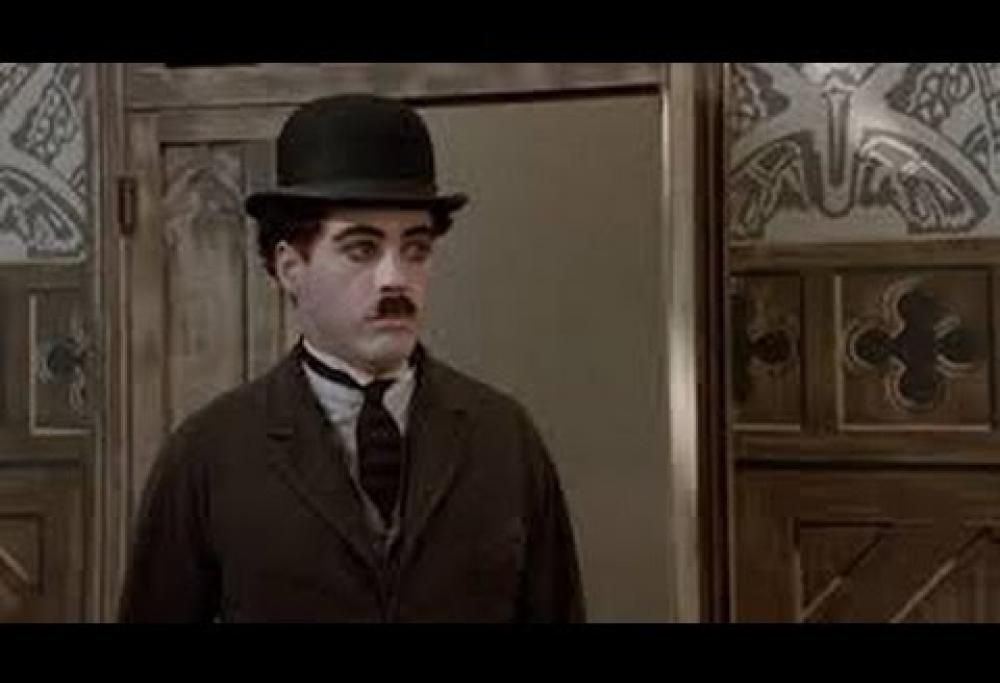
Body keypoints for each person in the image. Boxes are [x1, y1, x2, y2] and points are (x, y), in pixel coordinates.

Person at [118, 94, 585, 622]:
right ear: (290, 267)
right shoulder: (208, 455)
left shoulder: (504, 438)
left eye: (416, 249)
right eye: (362, 249)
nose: (395, 278)